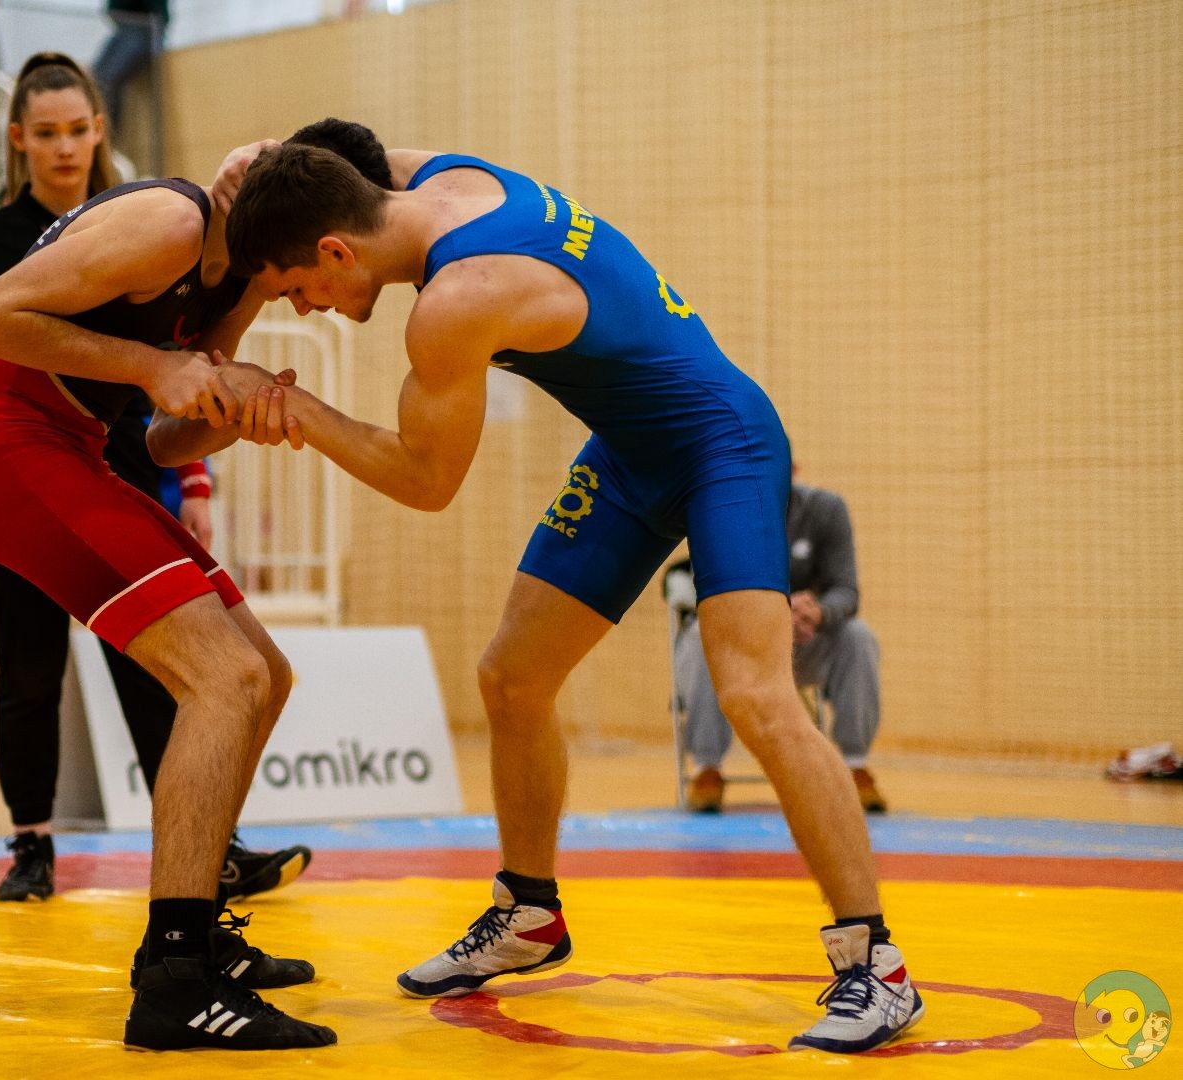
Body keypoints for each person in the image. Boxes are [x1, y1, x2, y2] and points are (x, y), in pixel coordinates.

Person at [222, 135, 923, 1054]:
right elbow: (355, 152)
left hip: (722, 443)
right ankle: (528, 915)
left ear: (335, 250)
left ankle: (877, 966)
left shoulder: (452, 303)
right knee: (512, 679)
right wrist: (270, 156)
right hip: (631, 456)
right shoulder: (449, 179)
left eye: (295, 288)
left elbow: (427, 482)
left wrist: (300, 411)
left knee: (756, 694)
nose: (304, 308)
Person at [0, 49, 334, 1052]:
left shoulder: (236, 279)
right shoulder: (166, 222)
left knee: (264, 674)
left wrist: (234, 414)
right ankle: (174, 977)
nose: (309, 303)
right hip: (1, 442)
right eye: (312, 282)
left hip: (69, 447)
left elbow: (161, 440)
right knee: (222, 678)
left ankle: (199, 926)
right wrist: (152, 363)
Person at [676, 469, 887, 814]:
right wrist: (775, 614)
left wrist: (818, 612)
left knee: (858, 636)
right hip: (742, 647)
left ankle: (855, 764)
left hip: (803, 643)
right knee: (700, 636)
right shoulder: (721, 513)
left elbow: (846, 591)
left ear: (792, 469)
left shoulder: (827, 509)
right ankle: (706, 768)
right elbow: (713, 593)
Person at [90, 0, 167, 138]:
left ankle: (109, 141)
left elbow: (158, 15)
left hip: (145, 30)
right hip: (124, 29)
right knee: (93, 81)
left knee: (107, 81)